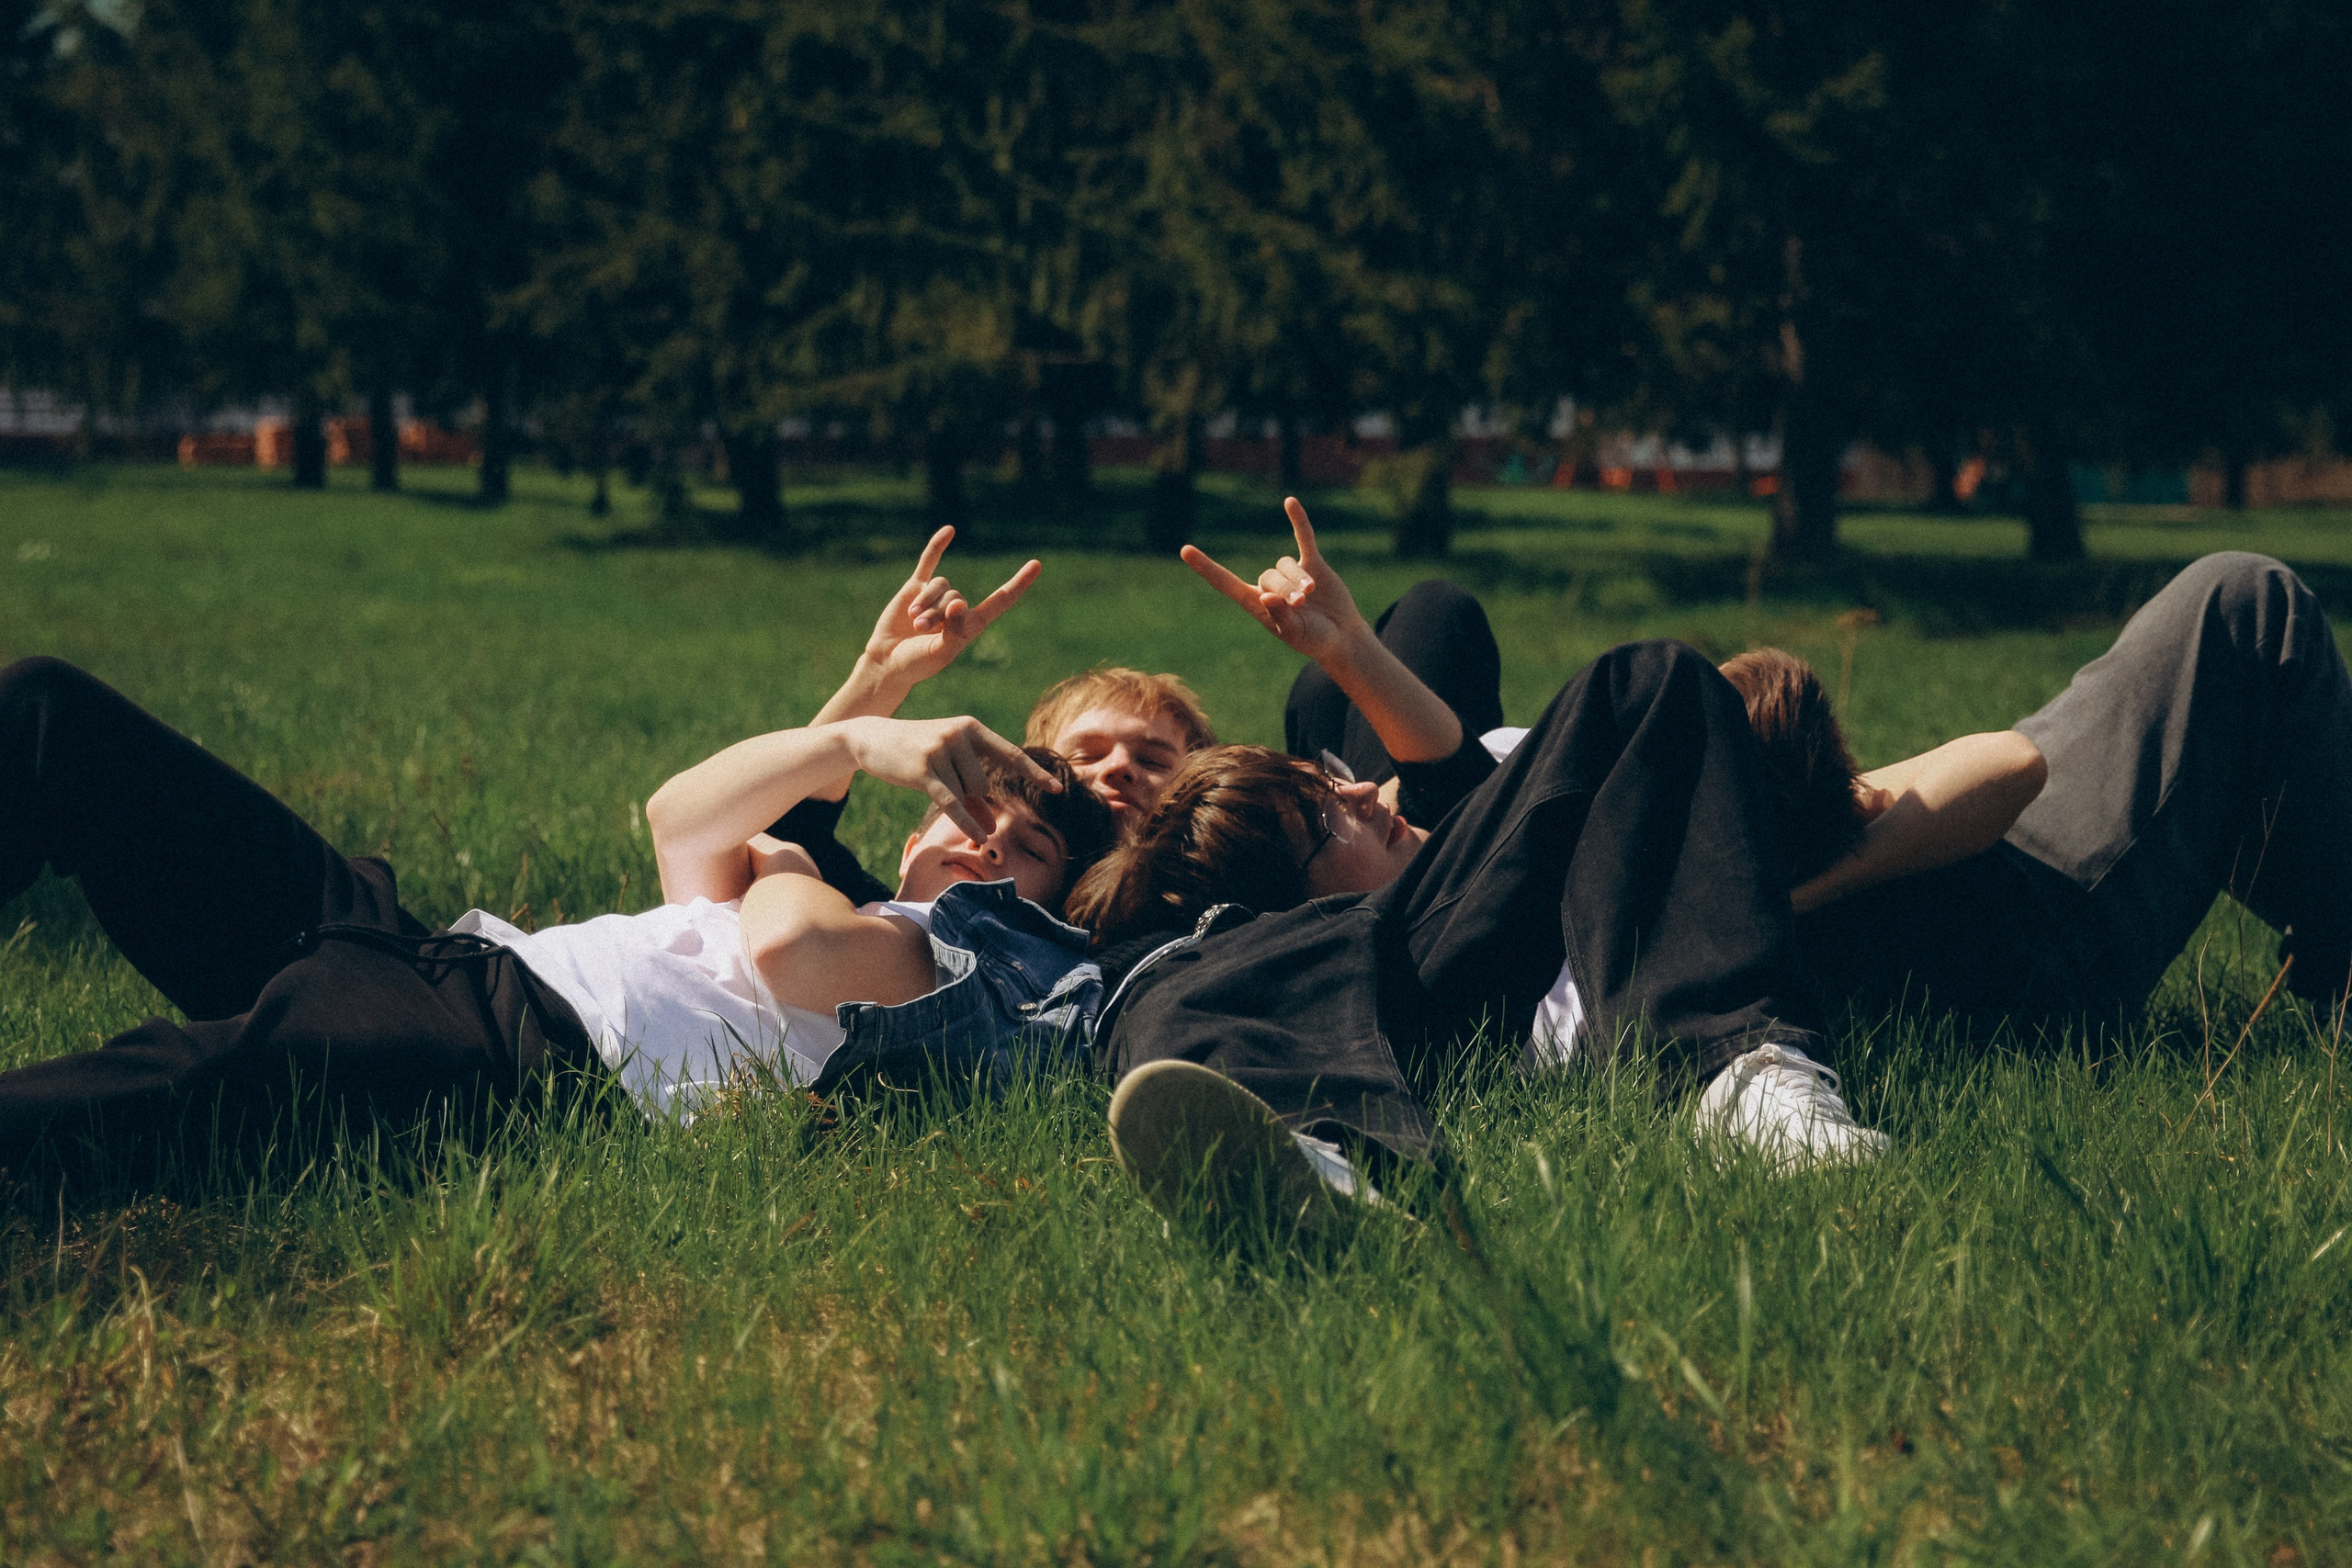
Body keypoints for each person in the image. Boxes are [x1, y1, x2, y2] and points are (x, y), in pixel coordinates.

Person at [0, 655, 1113, 1187]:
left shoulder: (969, 967)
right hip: (431, 954)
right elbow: (679, 818)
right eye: (976, 817)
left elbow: (791, 950)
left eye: (1026, 851)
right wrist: (851, 740)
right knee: (54, 717)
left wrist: (783, 858)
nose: (988, 844)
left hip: (507, 1054)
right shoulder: (839, 886)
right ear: (913, 830)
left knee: (113, 1110)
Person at [1071, 637, 1892, 1219]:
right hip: (1376, 981)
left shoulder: (1447, 854)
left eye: (1328, 780)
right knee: (1170, 984)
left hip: (1439, 940)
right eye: (1323, 817)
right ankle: (1322, 1161)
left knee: (1649, 677)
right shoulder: (1211, 952)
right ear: (1285, 907)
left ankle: (1749, 1086)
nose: (1363, 793)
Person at [1762, 552, 2352, 1027]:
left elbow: (1994, 767)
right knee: (2252, 603)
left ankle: (2336, 951)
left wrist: (1812, 881)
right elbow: (2012, 765)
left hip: (1968, 845)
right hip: (2033, 931)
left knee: (2236, 612)